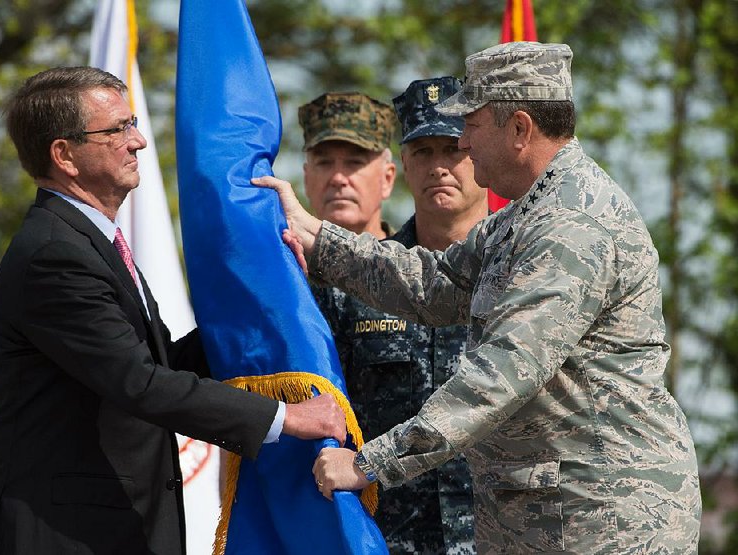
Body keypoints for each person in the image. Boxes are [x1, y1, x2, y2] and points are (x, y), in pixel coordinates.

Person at [256, 42, 702, 553]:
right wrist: (317, 239)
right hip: (545, 515)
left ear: (518, 129)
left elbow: (501, 374)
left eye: (471, 124)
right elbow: (433, 283)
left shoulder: (570, 225)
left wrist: (368, 464)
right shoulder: (521, 218)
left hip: (602, 518)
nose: (463, 143)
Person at [0, 66, 346, 555]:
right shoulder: (53, 255)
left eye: (132, 123)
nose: (140, 141)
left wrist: (270, 293)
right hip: (62, 536)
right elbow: (140, 383)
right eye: (118, 129)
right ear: (63, 155)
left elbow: (162, 363)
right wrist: (286, 418)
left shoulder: (88, 243)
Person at [302, 81, 487, 553]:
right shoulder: (359, 278)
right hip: (389, 540)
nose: (438, 166)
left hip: (507, 536)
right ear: (402, 165)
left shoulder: (520, 270)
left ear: (482, 153)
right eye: (423, 151)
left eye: (454, 148)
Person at [299, 92, 397, 239]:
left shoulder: (420, 260)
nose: (338, 179)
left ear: (387, 179)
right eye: (324, 163)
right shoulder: (279, 260)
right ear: (307, 180)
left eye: (355, 162)